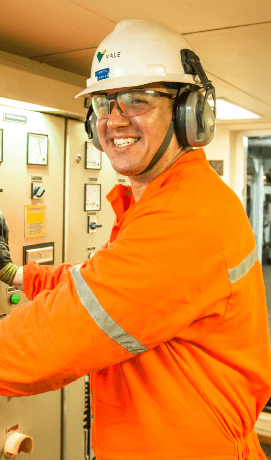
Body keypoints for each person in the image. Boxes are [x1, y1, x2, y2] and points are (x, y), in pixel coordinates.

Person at [0, 19, 271, 460]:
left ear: (189, 112)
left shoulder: (187, 217)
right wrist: (14, 274)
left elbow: (61, 333)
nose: (114, 119)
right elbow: (96, 285)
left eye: (137, 100)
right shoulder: (156, 205)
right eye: (103, 104)